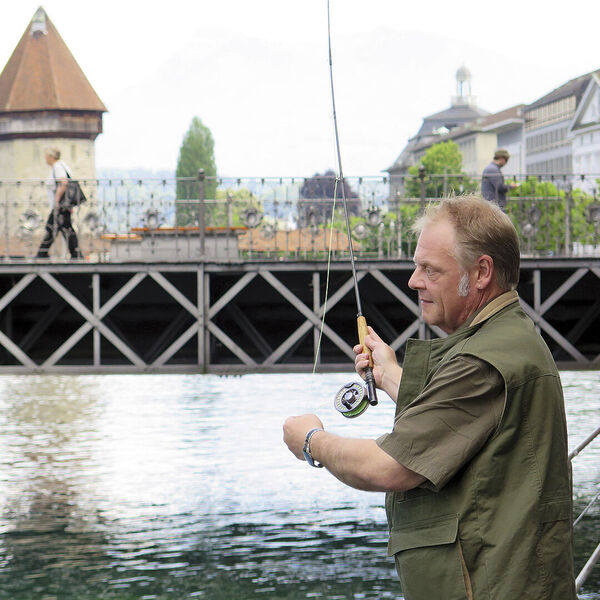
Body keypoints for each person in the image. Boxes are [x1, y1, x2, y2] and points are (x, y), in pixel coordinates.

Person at [283, 195, 576, 600]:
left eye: (429, 269)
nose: (413, 281)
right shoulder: (508, 338)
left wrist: (310, 441)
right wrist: (389, 377)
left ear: (481, 272)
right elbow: (462, 422)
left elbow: (388, 469)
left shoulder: (482, 360)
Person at [36, 147, 83, 259]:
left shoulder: (57, 166)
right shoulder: (62, 165)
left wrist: (57, 200)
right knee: (63, 228)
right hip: (63, 205)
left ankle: (42, 254)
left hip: (60, 205)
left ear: (51, 157)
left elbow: (63, 183)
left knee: (53, 227)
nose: (45, 159)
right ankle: (75, 254)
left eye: (46, 156)